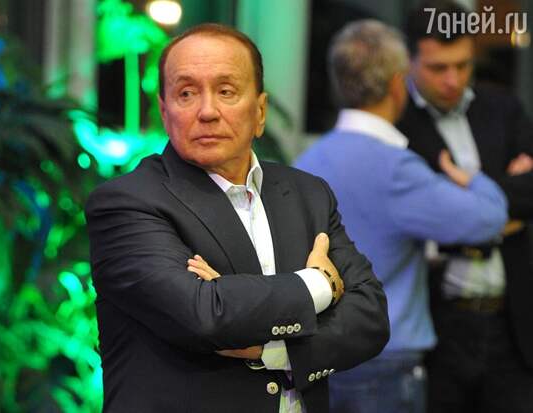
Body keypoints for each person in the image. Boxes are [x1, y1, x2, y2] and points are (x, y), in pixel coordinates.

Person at [85, 23, 389, 413]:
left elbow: (370, 317)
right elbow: (204, 315)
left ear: (259, 111)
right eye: (186, 93)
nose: (207, 111)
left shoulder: (307, 193)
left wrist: (272, 350)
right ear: (164, 111)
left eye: (226, 91)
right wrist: (320, 285)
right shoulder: (127, 202)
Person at [295, 20, 507, 413]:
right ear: (398, 84)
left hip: (320, 355)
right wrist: (475, 179)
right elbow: (489, 218)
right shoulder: (396, 168)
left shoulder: (307, 162)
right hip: (384, 361)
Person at [396, 1, 533, 412]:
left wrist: (463, 200)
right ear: (409, 61)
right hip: (437, 326)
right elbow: (416, 216)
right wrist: (501, 207)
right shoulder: (398, 125)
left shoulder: (502, 108)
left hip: (511, 324)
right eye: (438, 68)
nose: (453, 79)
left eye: (463, 65)